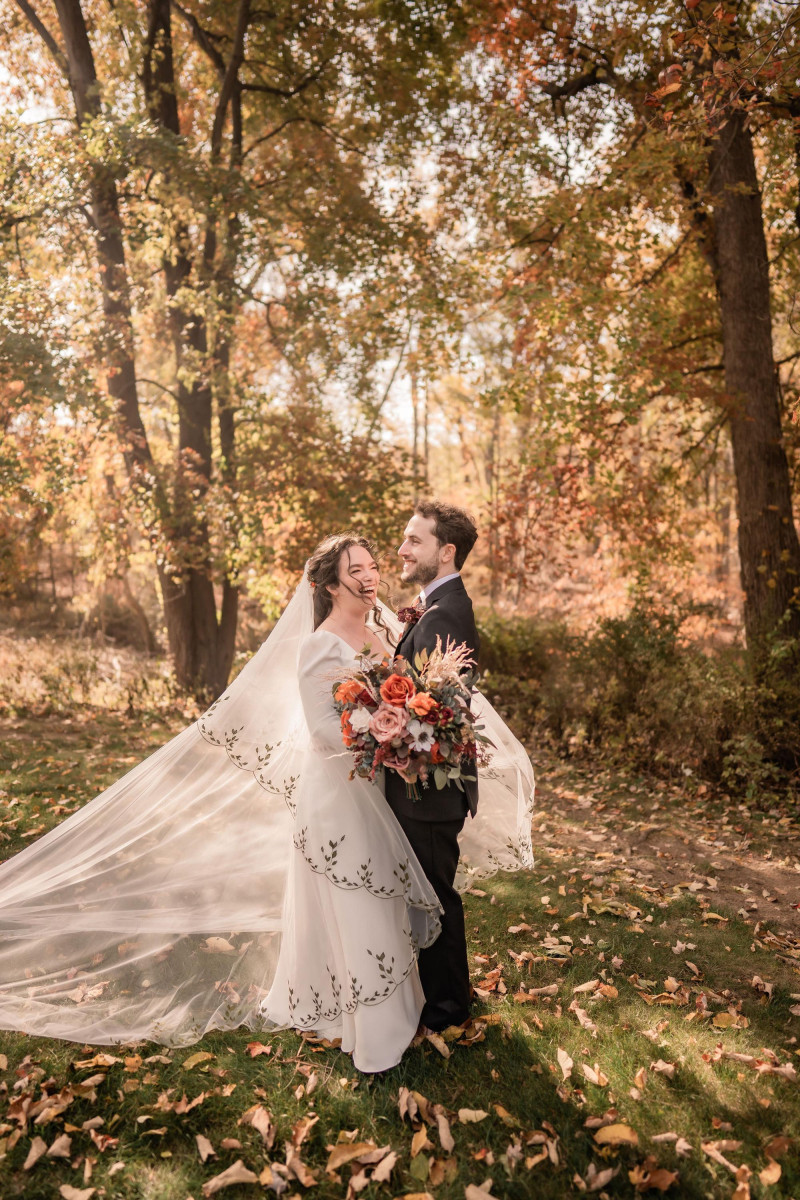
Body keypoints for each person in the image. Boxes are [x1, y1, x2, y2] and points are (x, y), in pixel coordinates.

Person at [0, 531, 534, 1072]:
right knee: (358, 903)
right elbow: (324, 731)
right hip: (340, 795)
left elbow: (414, 686)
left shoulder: (383, 628)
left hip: (381, 789)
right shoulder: (320, 644)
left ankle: (406, 1002)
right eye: (358, 569)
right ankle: (367, 1024)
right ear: (327, 584)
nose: (371, 576)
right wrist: (382, 735)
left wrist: (405, 732)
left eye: (373, 566)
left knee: (386, 900)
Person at [384, 500, 481, 1031]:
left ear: (446, 552)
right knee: (429, 891)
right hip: (425, 785)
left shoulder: (446, 612)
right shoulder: (437, 606)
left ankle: (447, 1009)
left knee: (436, 898)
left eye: (414, 541)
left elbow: (440, 710)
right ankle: (443, 993)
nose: (402, 549)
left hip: (429, 787)